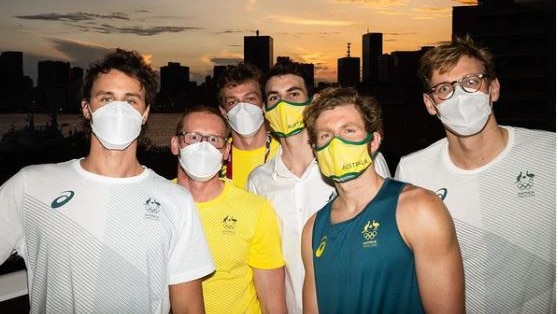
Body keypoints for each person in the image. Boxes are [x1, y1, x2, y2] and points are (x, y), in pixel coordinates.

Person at [0, 49, 215, 313]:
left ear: (145, 113)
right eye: (106, 99)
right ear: (86, 108)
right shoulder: (30, 186)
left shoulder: (176, 201)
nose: (118, 110)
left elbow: (189, 308)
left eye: (131, 101)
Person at [395, 35, 556, 312]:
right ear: (430, 103)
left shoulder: (550, 152)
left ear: (493, 88)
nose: (460, 97)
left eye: (471, 82)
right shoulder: (412, 171)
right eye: (445, 89)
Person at [301, 87, 465, 313]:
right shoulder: (313, 229)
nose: (336, 143)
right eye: (325, 135)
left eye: (348, 130)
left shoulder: (418, 209)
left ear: (373, 141)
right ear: (316, 150)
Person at [247, 58, 391, 313]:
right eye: (273, 98)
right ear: (266, 111)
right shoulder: (259, 180)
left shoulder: (360, 161)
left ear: (311, 101)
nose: (283, 105)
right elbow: (263, 261)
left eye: (293, 94)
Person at [170, 105, 287, 313]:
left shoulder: (254, 209)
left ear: (225, 151)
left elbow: (273, 303)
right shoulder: (158, 203)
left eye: (214, 139)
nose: (204, 147)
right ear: (175, 144)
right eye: (193, 137)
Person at [216, 62, 280, 189]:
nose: (242, 107)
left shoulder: (286, 152)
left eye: (250, 99)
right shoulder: (216, 156)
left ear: (263, 105)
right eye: (232, 102)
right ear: (223, 111)